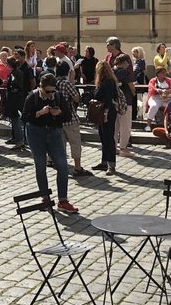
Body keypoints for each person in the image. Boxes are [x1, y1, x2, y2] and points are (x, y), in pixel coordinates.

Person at [22, 73, 78, 214]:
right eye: (48, 91)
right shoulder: (32, 97)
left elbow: (68, 115)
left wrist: (59, 113)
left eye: (53, 90)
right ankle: (45, 198)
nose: (51, 94)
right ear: (40, 87)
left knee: (63, 166)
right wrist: (39, 113)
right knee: (40, 166)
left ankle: (63, 200)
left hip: (54, 133)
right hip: (36, 133)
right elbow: (25, 117)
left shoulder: (58, 97)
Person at [55, 61, 89, 176]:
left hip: (57, 118)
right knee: (75, 142)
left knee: (60, 144)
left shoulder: (53, 82)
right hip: (70, 117)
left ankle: (62, 166)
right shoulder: (66, 84)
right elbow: (76, 98)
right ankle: (77, 167)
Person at [91, 61, 118, 175]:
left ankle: (111, 164)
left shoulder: (107, 83)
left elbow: (106, 99)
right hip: (104, 111)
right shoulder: (106, 81)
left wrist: (106, 114)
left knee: (108, 138)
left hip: (107, 112)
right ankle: (104, 161)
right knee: (103, 137)